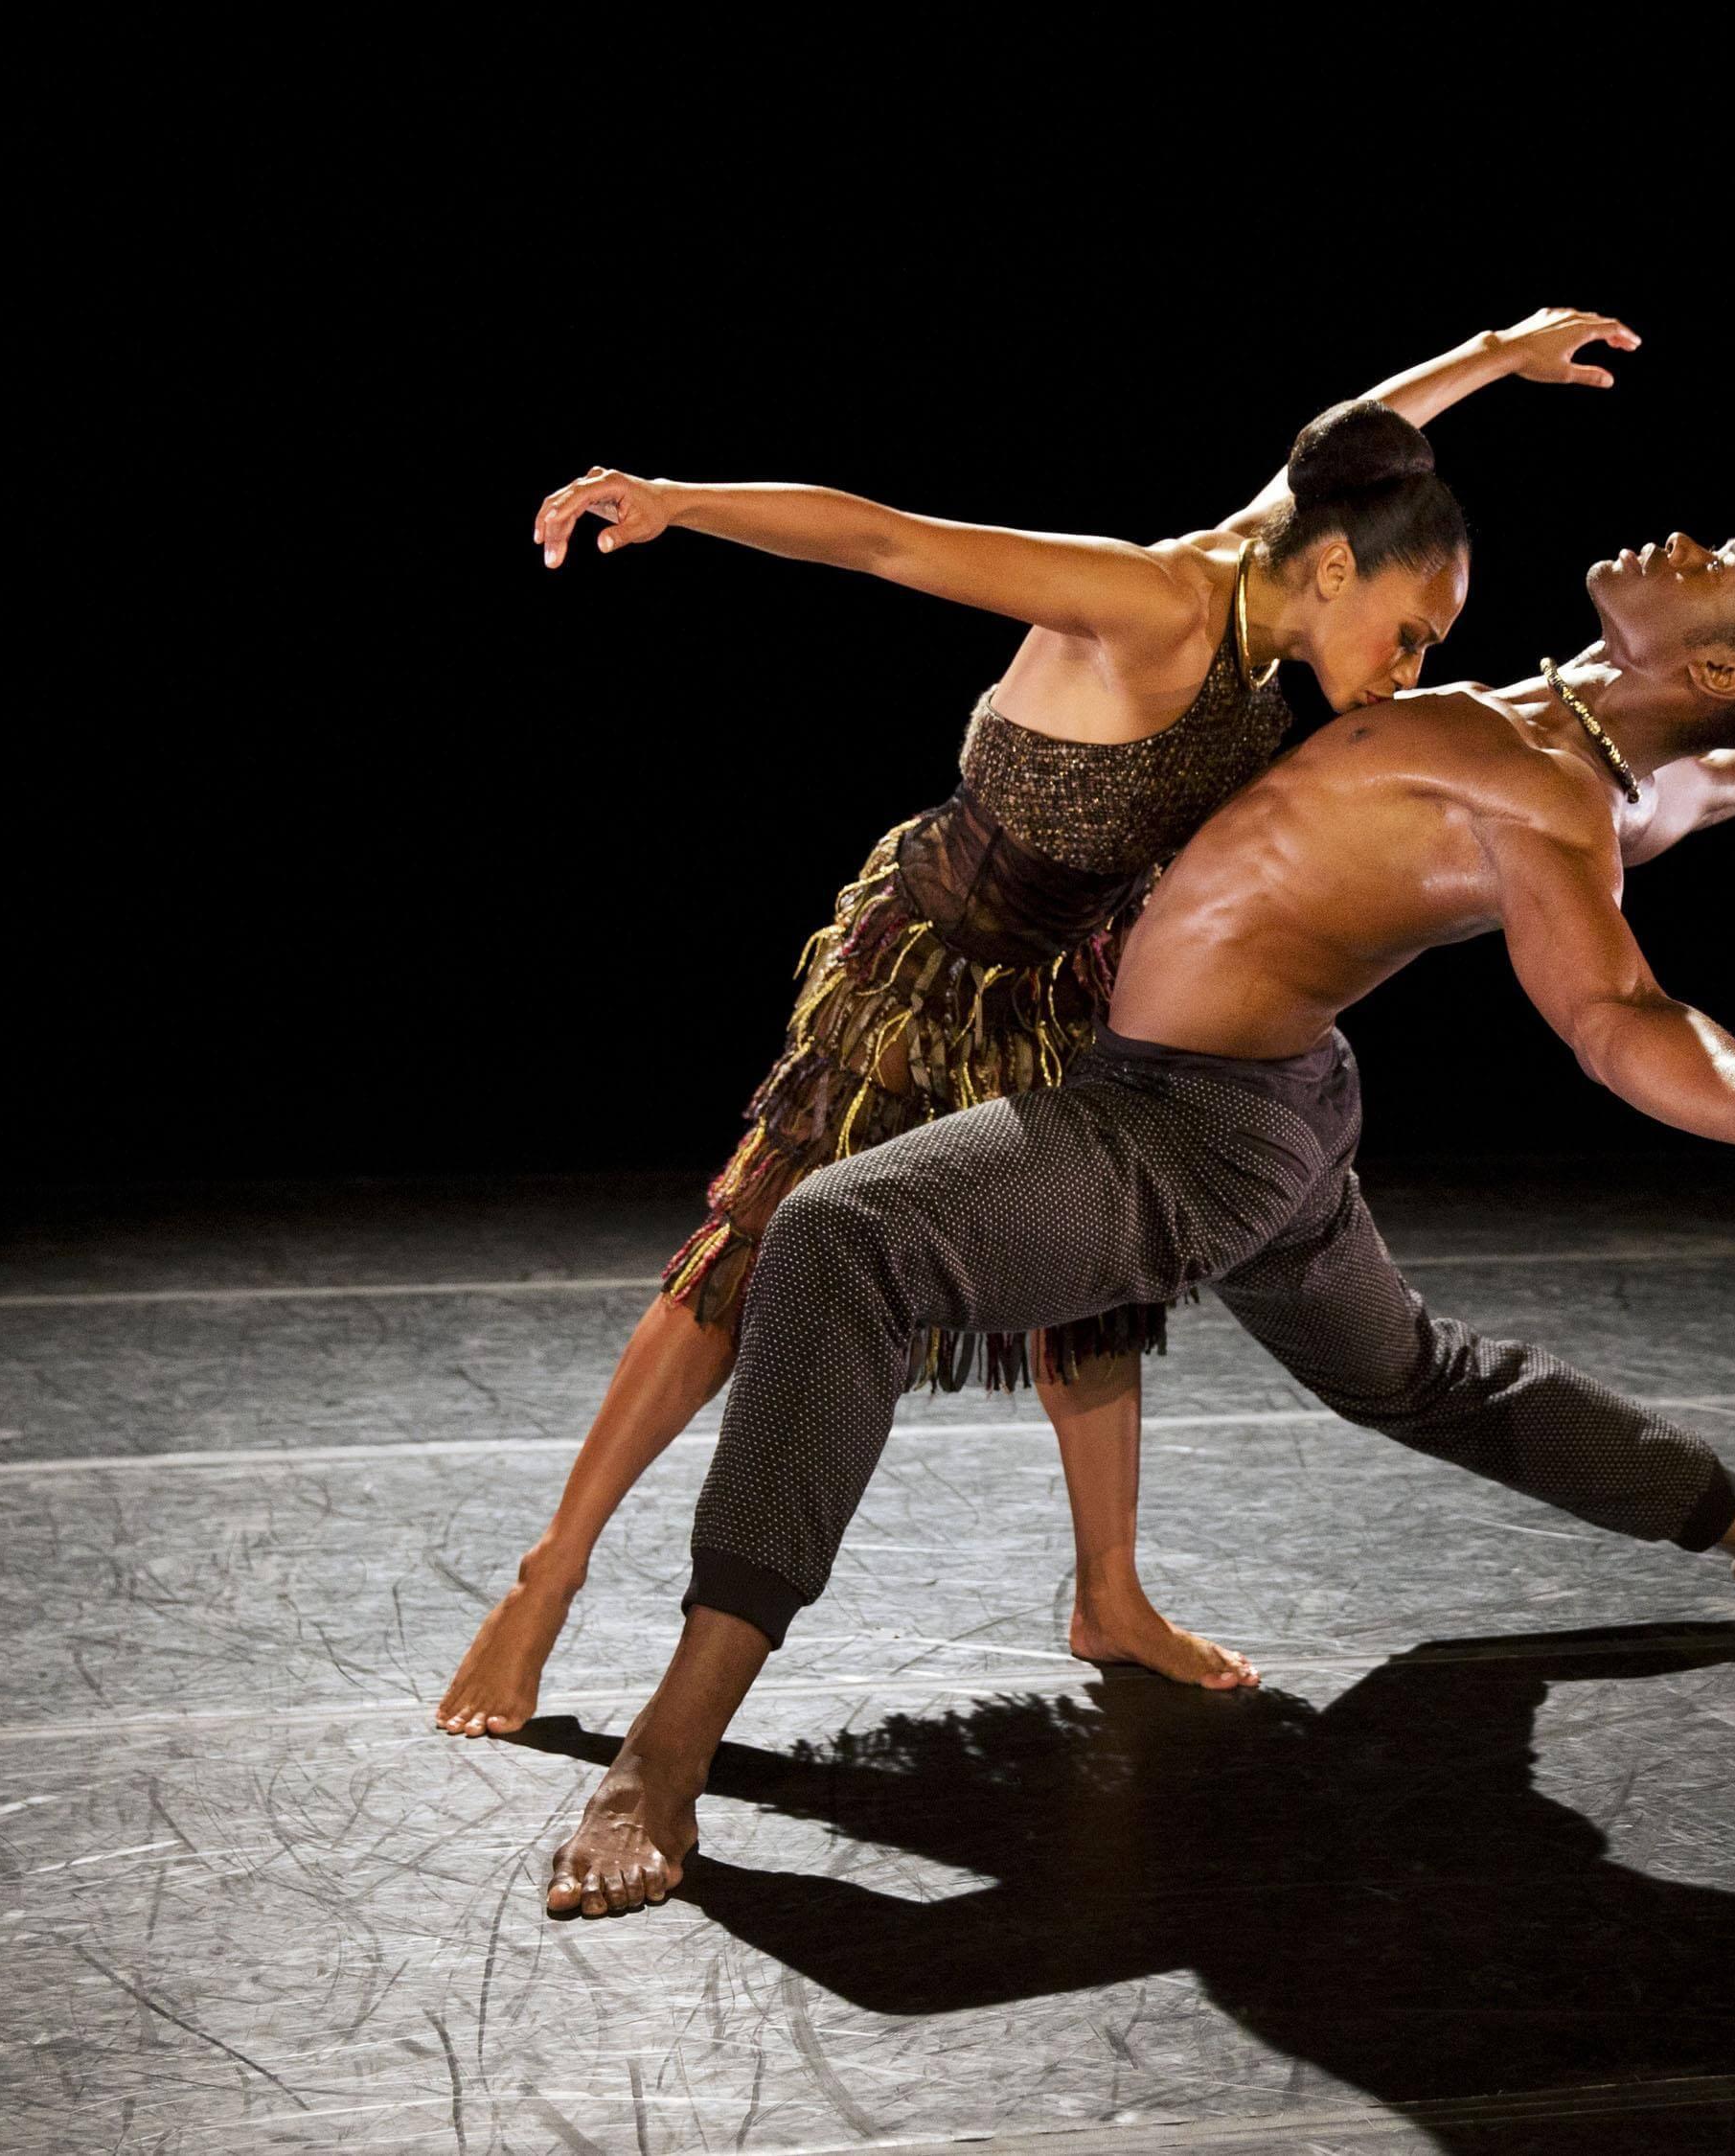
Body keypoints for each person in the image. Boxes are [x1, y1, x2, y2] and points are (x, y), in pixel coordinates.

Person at [540, 527, 1735, 1915]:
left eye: (1714, 563)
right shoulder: (1592, 734)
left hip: (1183, 1129)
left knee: (843, 1235)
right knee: (1416, 1378)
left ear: (1714, 670)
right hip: (1273, 1100)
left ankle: (666, 1752)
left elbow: (1615, 1015)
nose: (1678, 540)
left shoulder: (1550, 797)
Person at [432, 311, 1649, 1737]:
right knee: (749, 1260)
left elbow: (1362, 429)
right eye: (1412, 630)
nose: (1412, 663)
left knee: (1099, 1284)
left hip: (1082, 971)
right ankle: (547, 1573)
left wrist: (1500, 352)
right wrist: (677, 504)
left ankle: (1109, 1594)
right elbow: (883, 537)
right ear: (1335, 572)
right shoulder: (1155, 604)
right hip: (933, 964)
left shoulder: (1295, 556)